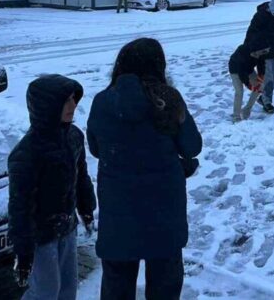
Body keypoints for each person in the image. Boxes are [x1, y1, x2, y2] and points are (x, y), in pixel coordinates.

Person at [86, 38, 202, 300]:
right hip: (164, 214)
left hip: (118, 213)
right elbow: (192, 146)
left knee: (116, 285)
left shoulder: (103, 101)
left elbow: (96, 148)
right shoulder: (169, 99)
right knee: (164, 285)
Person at [7, 75, 96, 299]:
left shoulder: (74, 136)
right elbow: (20, 206)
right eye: (65, 101)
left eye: (74, 100)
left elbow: (81, 178)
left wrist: (86, 209)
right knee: (46, 292)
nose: (73, 106)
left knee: (67, 289)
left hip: (67, 228)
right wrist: (23, 250)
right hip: (41, 236)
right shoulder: (26, 153)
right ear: (47, 106)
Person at [244, 0, 274, 114]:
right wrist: (250, 50)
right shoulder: (261, 16)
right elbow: (251, 33)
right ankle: (267, 101)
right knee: (268, 78)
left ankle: (263, 97)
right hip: (264, 52)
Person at [228, 43, 268, 122]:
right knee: (239, 92)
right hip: (235, 69)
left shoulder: (261, 52)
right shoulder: (243, 51)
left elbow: (261, 65)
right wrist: (248, 84)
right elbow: (241, 71)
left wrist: (261, 76)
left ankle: (246, 110)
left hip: (249, 70)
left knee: (260, 87)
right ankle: (236, 117)